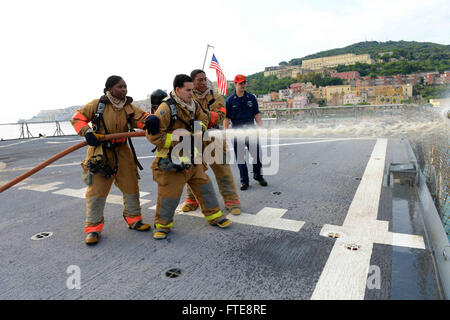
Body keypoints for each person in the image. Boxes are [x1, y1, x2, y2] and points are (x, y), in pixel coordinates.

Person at [146, 74, 232, 240]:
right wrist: (181, 138)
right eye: (188, 90)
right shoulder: (165, 109)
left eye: (192, 90)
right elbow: (154, 137)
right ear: (177, 90)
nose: (191, 93)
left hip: (192, 159)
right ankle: (162, 226)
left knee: (205, 186)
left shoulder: (194, 105)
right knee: (169, 195)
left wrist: (200, 127)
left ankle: (214, 216)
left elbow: (204, 119)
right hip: (172, 162)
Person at [70, 75, 151, 245]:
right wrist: (87, 132)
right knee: (96, 191)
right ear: (110, 88)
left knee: (131, 186)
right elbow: (77, 118)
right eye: (120, 86)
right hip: (100, 152)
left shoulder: (128, 107)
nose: (124, 89)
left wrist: (152, 121)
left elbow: (142, 119)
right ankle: (93, 229)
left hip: (123, 152)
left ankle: (134, 219)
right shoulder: (96, 105)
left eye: (125, 86)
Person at [180, 70, 241, 215]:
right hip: (194, 139)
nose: (203, 82)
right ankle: (191, 199)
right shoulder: (186, 96)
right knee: (194, 171)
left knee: (223, 170)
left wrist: (203, 117)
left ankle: (231, 201)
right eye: (199, 80)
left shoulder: (215, 96)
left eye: (204, 79)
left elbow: (220, 115)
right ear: (192, 82)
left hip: (214, 137)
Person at [224, 74, 268, 190]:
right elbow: (227, 118)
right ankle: (244, 181)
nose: (243, 85)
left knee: (257, 154)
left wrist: (261, 127)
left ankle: (258, 176)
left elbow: (256, 114)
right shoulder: (229, 101)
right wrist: (224, 133)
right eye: (240, 83)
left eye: (244, 83)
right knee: (240, 158)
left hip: (251, 130)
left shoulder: (251, 98)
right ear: (235, 84)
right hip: (237, 132)